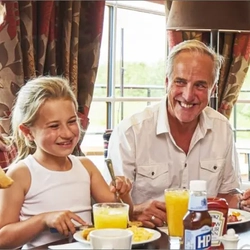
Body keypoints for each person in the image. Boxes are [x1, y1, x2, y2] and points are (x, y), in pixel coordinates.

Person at [107, 39, 249, 228]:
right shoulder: (130, 132)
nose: (188, 95)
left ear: (213, 89)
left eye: (200, 85)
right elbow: (109, 205)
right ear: (167, 82)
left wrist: (242, 202)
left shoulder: (222, 129)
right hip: (148, 241)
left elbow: (225, 197)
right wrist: (134, 210)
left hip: (206, 239)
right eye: (180, 82)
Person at [0, 76, 133, 249]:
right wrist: (43, 220)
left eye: (72, 122)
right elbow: (3, 239)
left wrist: (123, 193)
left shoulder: (86, 167)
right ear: (28, 132)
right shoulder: (21, 174)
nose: (67, 133)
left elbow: (123, 215)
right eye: (54, 126)